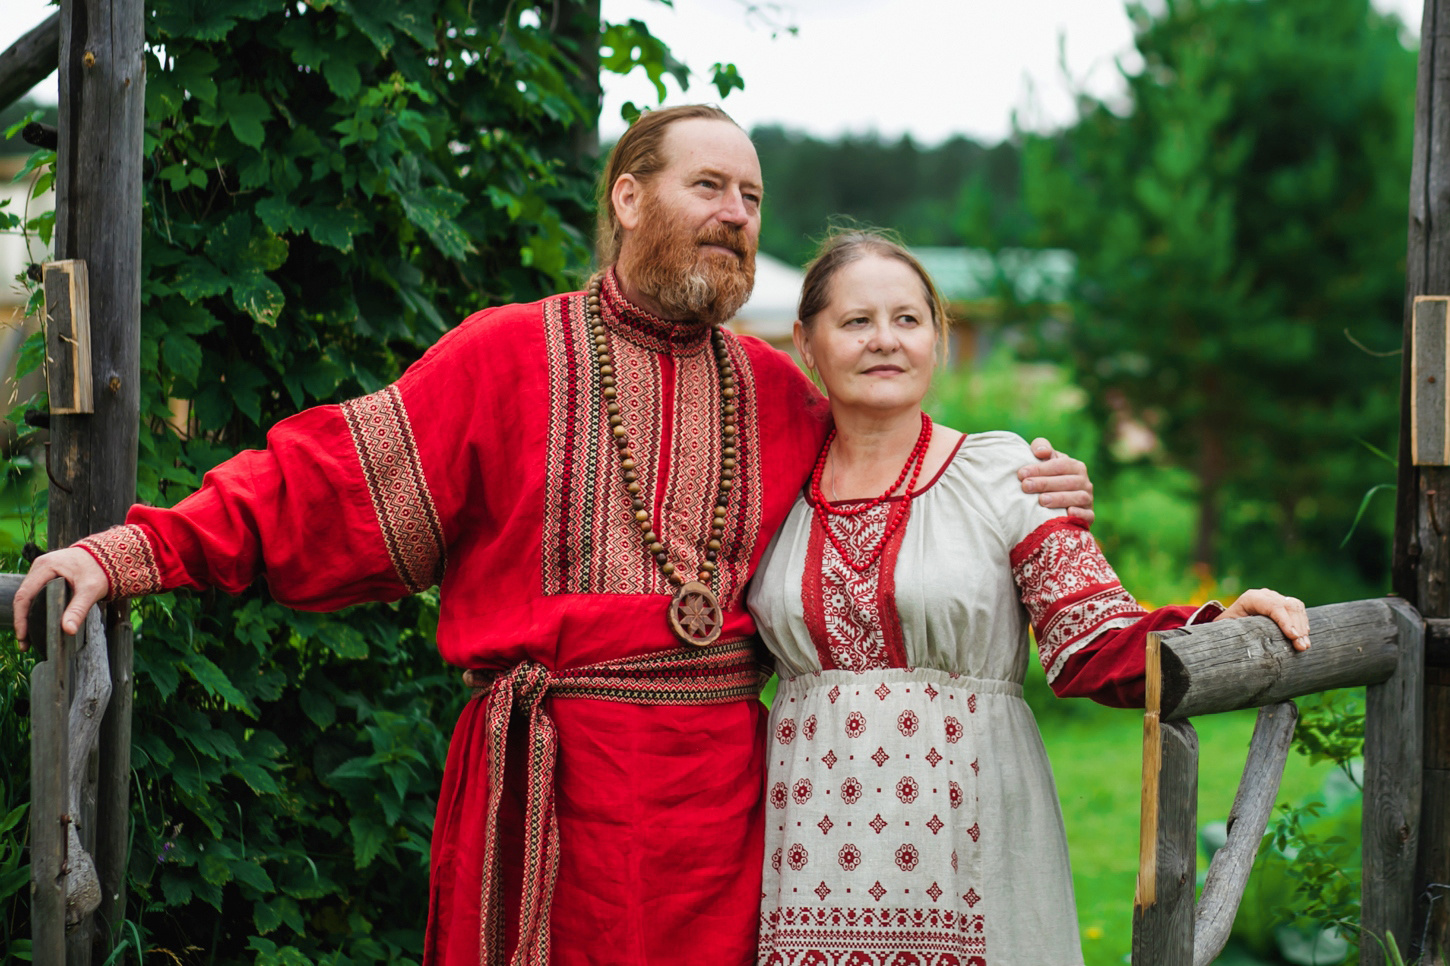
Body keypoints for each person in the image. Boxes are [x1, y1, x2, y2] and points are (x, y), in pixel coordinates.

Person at [12, 107, 1097, 966]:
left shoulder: (780, 395)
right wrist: (130, 552)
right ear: (628, 197)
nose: (735, 214)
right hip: (545, 797)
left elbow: (894, 470)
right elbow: (325, 485)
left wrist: (1024, 476)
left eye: (753, 198)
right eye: (707, 185)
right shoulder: (504, 356)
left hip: (723, 813)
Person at [747, 230, 1309, 966]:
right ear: (806, 342)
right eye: (856, 322)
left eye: (909, 320)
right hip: (809, 856)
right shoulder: (769, 487)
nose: (884, 340)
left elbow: (1094, 644)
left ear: (940, 339)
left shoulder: (1004, 474)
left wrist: (1217, 626)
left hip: (971, 837)